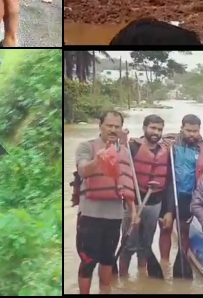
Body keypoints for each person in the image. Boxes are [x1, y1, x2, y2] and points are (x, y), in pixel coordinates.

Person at [75, 111, 137, 294]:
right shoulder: (86, 146)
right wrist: (97, 161)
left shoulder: (124, 151)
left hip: (114, 215)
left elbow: (128, 182)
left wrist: (133, 211)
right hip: (90, 215)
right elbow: (83, 171)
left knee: (108, 259)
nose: (112, 129)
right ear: (100, 126)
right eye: (109, 125)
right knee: (88, 261)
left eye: (116, 126)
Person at [118, 115, 171, 274]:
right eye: (153, 128)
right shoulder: (131, 147)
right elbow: (122, 174)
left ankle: (142, 276)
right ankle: (123, 279)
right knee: (128, 245)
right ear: (144, 128)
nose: (156, 132)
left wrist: (168, 211)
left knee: (146, 245)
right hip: (133, 203)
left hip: (155, 204)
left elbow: (169, 183)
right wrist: (120, 142)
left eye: (159, 129)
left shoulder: (166, 150)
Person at [159, 114, 203, 262]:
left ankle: (182, 260)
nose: (192, 134)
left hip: (189, 195)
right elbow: (150, 141)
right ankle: (164, 263)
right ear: (182, 128)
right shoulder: (170, 142)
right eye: (188, 130)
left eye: (195, 131)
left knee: (184, 231)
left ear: (199, 130)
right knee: (165, 229)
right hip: (170, 192)